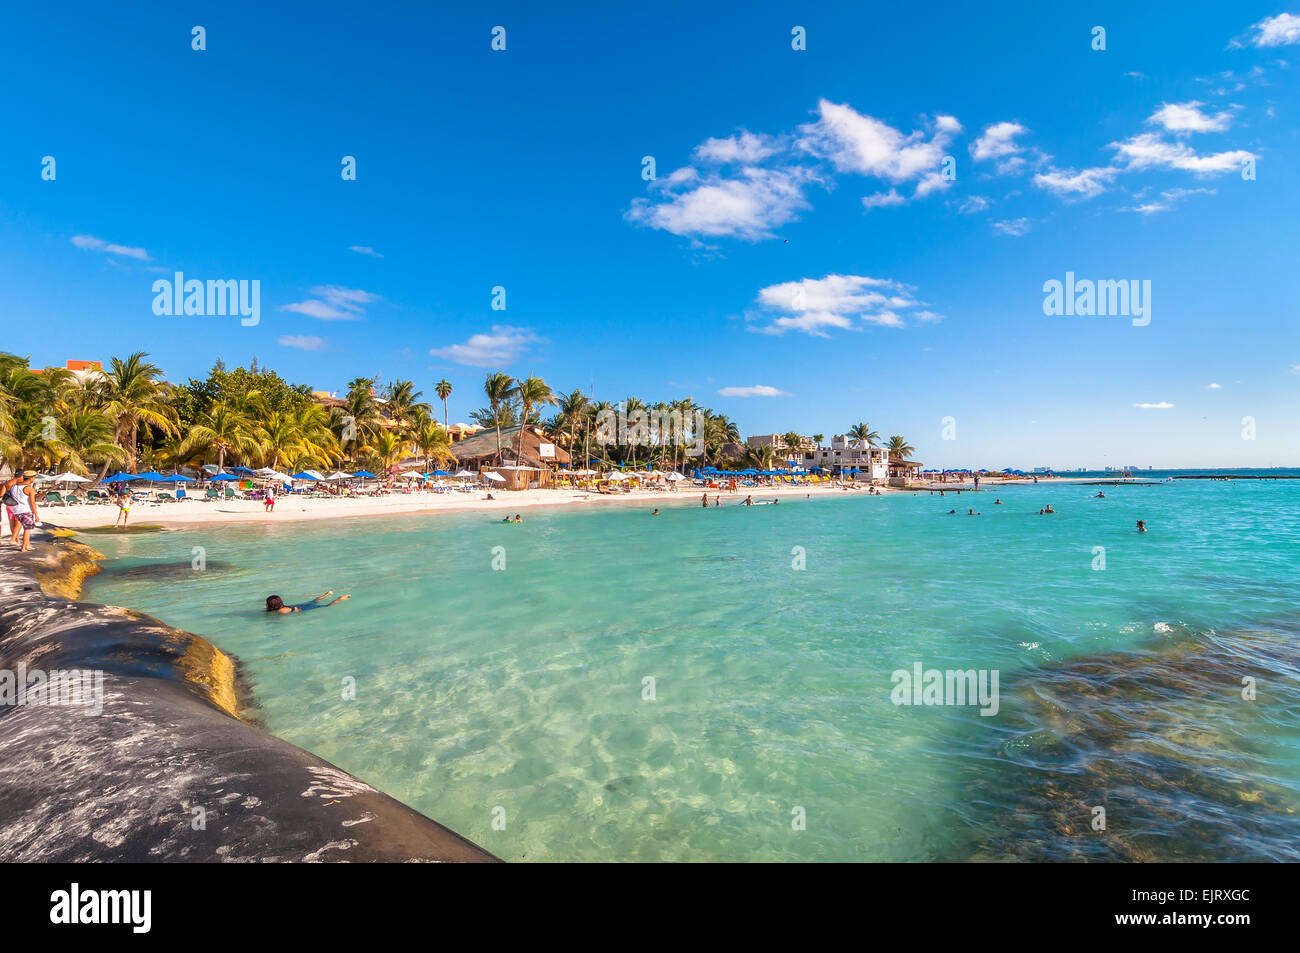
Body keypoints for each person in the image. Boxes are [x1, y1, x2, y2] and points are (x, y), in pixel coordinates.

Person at [3, 471, 40, 552]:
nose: (34, 479)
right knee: (27, 529)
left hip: (16, 511)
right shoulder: (30, 489)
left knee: (21, 527)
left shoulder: (14, 487)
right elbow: (32, 503)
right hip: (26, 511)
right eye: (34, 477)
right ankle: (23, 547)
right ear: (31, 478)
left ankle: (26, 545)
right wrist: (36, 515)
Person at [265, 591, 351, 613]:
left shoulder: (280, 611)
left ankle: (340, 599)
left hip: (303, 609)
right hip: (300, 606)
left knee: (327, 606)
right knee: (313, 601)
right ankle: (326, 594)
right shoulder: (280, 608)